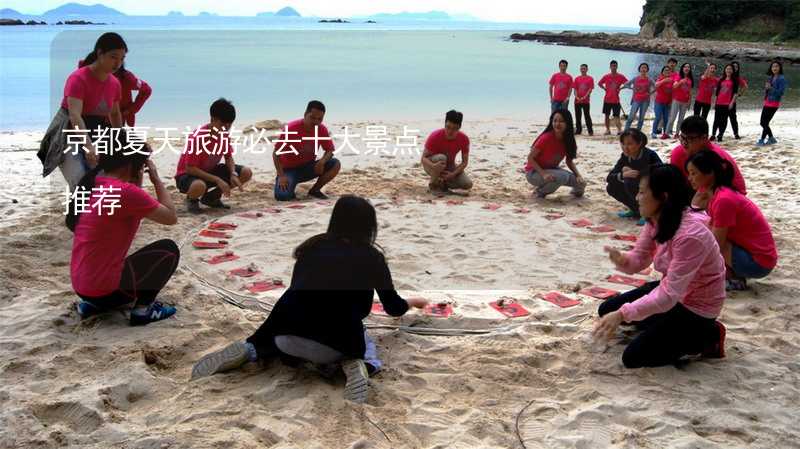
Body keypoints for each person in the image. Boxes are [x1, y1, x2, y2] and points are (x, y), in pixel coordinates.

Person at [191, 195, 429, 403]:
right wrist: (412, 301)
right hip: (333, 345)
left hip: (283, 336)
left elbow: (298, 289)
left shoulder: (311, 247)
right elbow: (393, 308)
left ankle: (250, 349)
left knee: (289, 327)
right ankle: (359, 365)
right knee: (364, 341)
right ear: (369, 227)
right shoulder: (372, 257)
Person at [593, 164, 727, 368]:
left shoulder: (691, 236)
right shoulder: (655, 220)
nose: (637, 198)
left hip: (696, 306)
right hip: (674, 293)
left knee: (633, 357)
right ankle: (661, 326)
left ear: (663, 197)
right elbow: (639, 259)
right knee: (607, 309)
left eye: (642, 192)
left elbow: (667, 296)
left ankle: (710, 336)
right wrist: (623, 259)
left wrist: (623, 314)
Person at [67, 130, 180, 326]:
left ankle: (94, 306)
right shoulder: (126, 192)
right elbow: (171, 217)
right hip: (106, 291)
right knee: (168, 250)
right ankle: (143, 310)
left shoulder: (93, 184)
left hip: (81, 287)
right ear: (132, 164)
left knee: (111, 260)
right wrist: (156, 179)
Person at [38, 32, 126, 191]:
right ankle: (77, 214)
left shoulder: (114, 83)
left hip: (97, 132)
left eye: (121, 59)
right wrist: (88, 146)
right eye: (113, 57)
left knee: (105, 181)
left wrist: (121, 140)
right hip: (68, 133)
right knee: (80, 181)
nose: (118, 63)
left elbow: (114, 114)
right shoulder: (78, 78)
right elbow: (75, 115)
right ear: (100, 53)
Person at [686, 150, 777, 290]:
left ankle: (731, 278)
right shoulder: (716, 192)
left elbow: (715, 244)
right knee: (702, 228)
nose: (689, 178)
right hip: (755, 254)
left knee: (706, 237)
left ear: (709, 173)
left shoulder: (723, 199)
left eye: (693, 173)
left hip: (758, 263)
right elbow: (694, 212)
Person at [174, 98, 253, 213]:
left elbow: (228, 157)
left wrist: (233, 173)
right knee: (199, 186)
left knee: (246, 172)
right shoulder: (198, 137)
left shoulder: (224, 135)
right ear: (213, 119)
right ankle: (192, 200)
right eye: (222, 124)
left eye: (228, 125)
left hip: (209, 171)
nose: (225, 128)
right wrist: (217, 180)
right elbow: (190, 169)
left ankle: (211, 198)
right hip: (187, 175)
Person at [670, 116, 746, 209]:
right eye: (682, 138)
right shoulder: (678, 153)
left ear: (704, 138)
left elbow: (736, 191)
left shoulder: (716, 158)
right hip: (698, 191)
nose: (684, 143)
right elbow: (674, 186)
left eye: (689, 139)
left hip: (727, 198)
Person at [274, 100, 341, 201]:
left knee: (335, 163)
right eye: (312, 118)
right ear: (305, 114)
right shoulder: (291, 128)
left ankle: (315, 190)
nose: (316, 122)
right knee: (282, 196)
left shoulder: (321, 129)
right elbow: (275, 154)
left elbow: (330, 150)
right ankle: (288, 186)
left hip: (308, 168)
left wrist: (322, 161)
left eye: (320, 119)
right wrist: (281, 175)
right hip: (288, 170)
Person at [524, 109, 586, 198]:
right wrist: (543, 174)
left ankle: (573, 193)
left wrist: (578, 175)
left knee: (581, 184)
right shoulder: (546, 138)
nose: (557, 124)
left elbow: (569, 161)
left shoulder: (568, 140)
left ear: (567, 123)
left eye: (561, 121)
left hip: (552, 170)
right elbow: (530, 158)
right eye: (555, 121)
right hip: (534, 173)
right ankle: (539, 192)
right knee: (562, 177)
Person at [606, 129, 662, 225]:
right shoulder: (625, 157)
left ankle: (647, 214)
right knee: (611, 187)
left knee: (629, 181)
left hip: (653, 190)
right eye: (623, 144)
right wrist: (622, 175)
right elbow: (610, 177)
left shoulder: (649, 155)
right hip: (637, 189)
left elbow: (661, 172)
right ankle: (635, 209)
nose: (625, 147)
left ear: (639, 143)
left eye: (629, 144)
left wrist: (638, 173)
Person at [421, 110, 473, 192]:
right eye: (448, 127)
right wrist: (433, 166)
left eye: (454, 128)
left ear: (459, 127)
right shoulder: (435, 136)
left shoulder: (464, 139)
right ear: (445, 124)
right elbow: (423, 158)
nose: (450, 131)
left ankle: (443, 183)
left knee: (467, 184)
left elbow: (464, 162)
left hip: (450, 166)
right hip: (433, 164)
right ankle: (433, 184)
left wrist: (453, 174)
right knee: (442, 158)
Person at [757, 61, 787, 146]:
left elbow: (780, 93)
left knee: (764, 123)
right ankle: (771, 138)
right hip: (767, 102)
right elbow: (768, 90)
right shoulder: (771, 77)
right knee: (764, 122)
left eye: (776, 66)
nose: (775, 68)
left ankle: (762, 140)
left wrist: (771, 88)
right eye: (773, 66)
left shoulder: (782, 79)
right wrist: (766, 89)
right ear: (771, 68)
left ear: (780, 68)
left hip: (774, 103)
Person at [598, 60, 628, 136]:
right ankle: (607, 130)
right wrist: (604, 89)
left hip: (616, 100)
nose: (613, 67)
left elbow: (628, 84)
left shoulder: (620, 76)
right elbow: (599, 83)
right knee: (606, 115)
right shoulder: (606, 76)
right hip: (607, 99)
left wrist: (621, 88)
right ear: (610, 67)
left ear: (617, 67)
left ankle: (619, 130)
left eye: (615, 66)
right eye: (612, 66)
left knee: (616, 116)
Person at [622, 63, 655, 131]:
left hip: (645, 101)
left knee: (641, 118)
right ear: (639, 69)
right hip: (636, 100)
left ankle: (638, 131)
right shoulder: (635, 78)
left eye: (645, 68)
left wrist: (650, 93)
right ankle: (625, 131)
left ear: (647, 70)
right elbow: (626, 84)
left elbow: (656, 86)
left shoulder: (649, 79)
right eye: (642, 67)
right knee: (631, 117)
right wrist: (632, 88)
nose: (643, 69)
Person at [710, 64, 739, 142]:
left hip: (727, 103)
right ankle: (713, 134)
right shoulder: (721, 79)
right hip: (719, 102)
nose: (728, 70)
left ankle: (720, 135)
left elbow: (735, 93)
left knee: (724, 120)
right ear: (725, 70)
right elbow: (717, 92)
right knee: (716, 120)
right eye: (727, 69)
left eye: (730, 69)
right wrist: (714, 102)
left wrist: (732, 103)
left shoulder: (734, 80)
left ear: (732, 71)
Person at [666, 63, 693, 139]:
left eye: (688, 67)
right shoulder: (678, 76)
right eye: (685, 67)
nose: (687, 68)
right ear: (682, 68)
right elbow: (674, 86)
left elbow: (690, 91)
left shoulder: (690, 79)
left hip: (685, 102)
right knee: (672, 118)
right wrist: (681, 82)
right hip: (676, 100)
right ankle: (666, 133)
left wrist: (689, 102)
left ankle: (677, 133)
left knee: (681, 119)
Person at [652, 66, 674, 139]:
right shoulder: (660, 79)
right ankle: (654, 132)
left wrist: (671, 102)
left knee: (666, 118)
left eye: (668, 70)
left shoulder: (672, 80)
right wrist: (664, 80)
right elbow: (656, 85)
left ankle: (665, 133)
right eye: (665, 70)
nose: (667, 71)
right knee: (658, 117)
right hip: (659, 102)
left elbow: (673, 92)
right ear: (662, 72)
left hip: (667, 103)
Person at [727, 61, 748, 140]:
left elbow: (745, 86)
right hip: (723, 100)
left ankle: (736, 134)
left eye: (736, 67)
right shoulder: (727, 76)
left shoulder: (738, 78)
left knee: (733, 118)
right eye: (733, 66)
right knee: (722, 118)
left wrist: (740, 94)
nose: (735, 68)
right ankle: (719, 134)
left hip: (732, 101)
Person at [573, 64, 594, 135]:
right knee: (578, 116)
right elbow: (575, 89)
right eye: (581, 68)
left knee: (587, 115)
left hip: (586, 101)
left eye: (584, 68)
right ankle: (578, 130)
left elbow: (590, 89)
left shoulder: (590, 78)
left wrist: (585, 97)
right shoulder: (577, 78)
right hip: (577, 101)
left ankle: (590, 130)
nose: (583, 70)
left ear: (587, 69)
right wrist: (576, 96)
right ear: (580, 69)